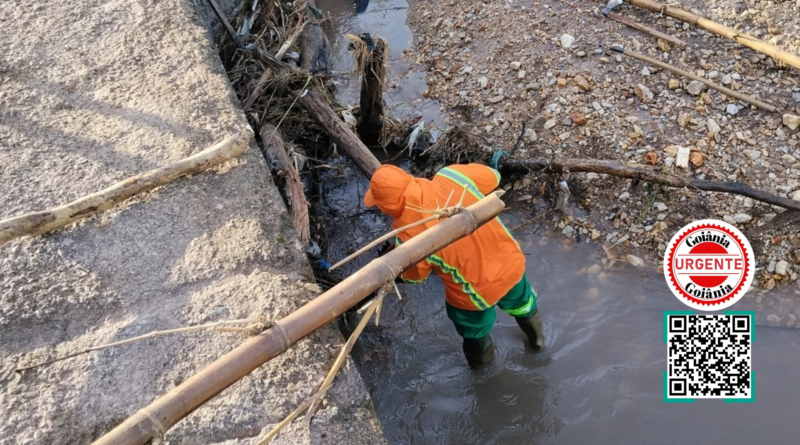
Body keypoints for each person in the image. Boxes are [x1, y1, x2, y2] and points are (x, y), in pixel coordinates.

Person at [363, 163, 544, 367]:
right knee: (524, 304)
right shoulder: (452, 175)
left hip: (475, 293)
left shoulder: (409, 237)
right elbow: (493, 176)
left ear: (387, 207)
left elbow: (416, 277)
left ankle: (483, 372)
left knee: (474, 332)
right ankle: (538, 343)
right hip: (511, 262)